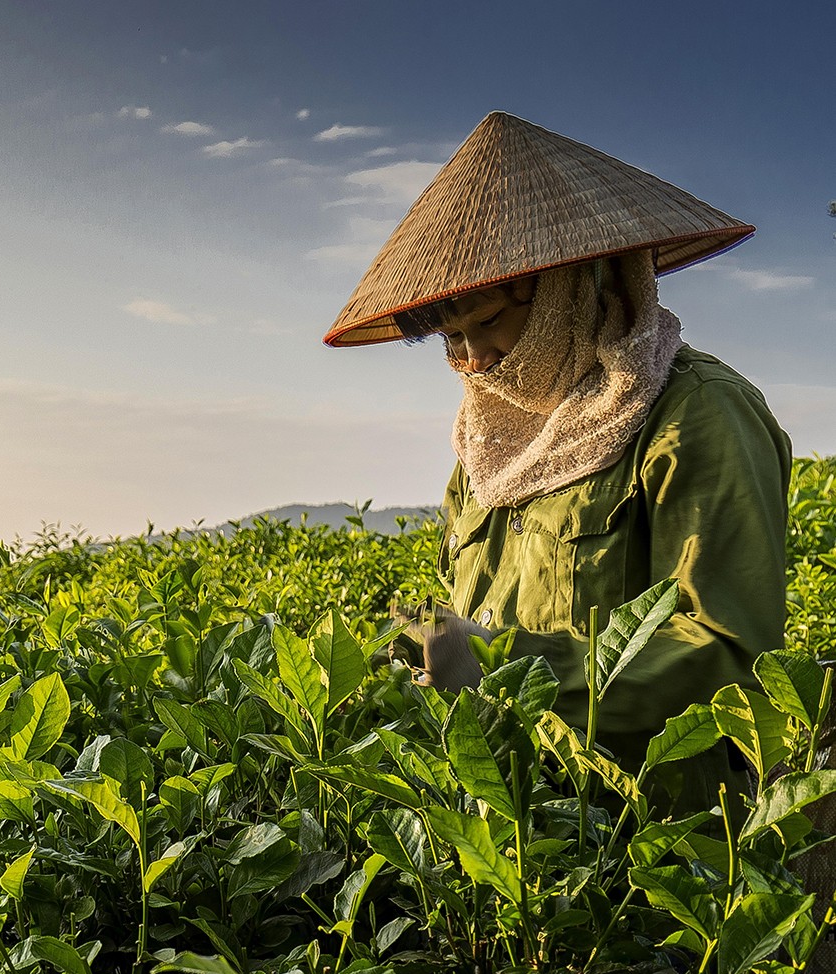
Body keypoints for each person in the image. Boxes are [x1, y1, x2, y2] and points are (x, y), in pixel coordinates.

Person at [325, 112, 792, 813]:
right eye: (450, 338)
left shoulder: (696, 415)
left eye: (487, 321)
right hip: (514, 832)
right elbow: (478, 611)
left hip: (648, 850)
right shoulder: (487, 443)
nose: (473, 359)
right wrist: (435, 649)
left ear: (573, 287)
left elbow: (728, 654)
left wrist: (506, 662)